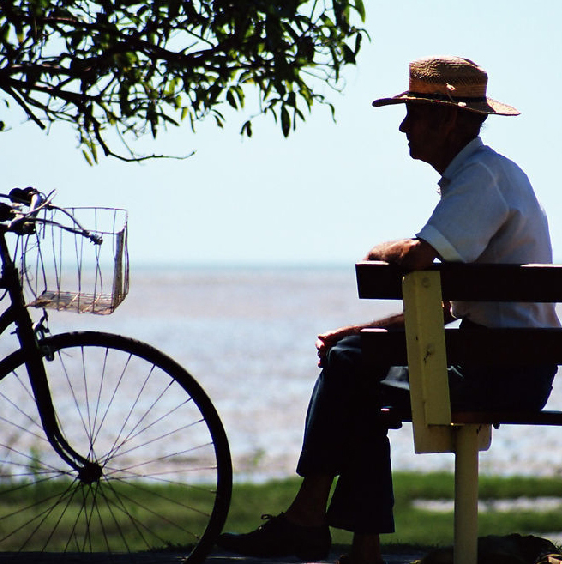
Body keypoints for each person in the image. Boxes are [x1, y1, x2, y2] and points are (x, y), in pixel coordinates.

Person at [216, 56, 560, 564]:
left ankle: (311, 521)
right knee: (352, 364)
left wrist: (380, 249)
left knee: (349, 367)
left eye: (413, 114)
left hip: (502, 374)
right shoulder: (484, 178)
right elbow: (440, 308)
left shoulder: (480, 179)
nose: (403, 126)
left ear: (446, 120)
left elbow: (418, 257)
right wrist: (357, 331)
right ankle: (357, 546)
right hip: (502, 363)